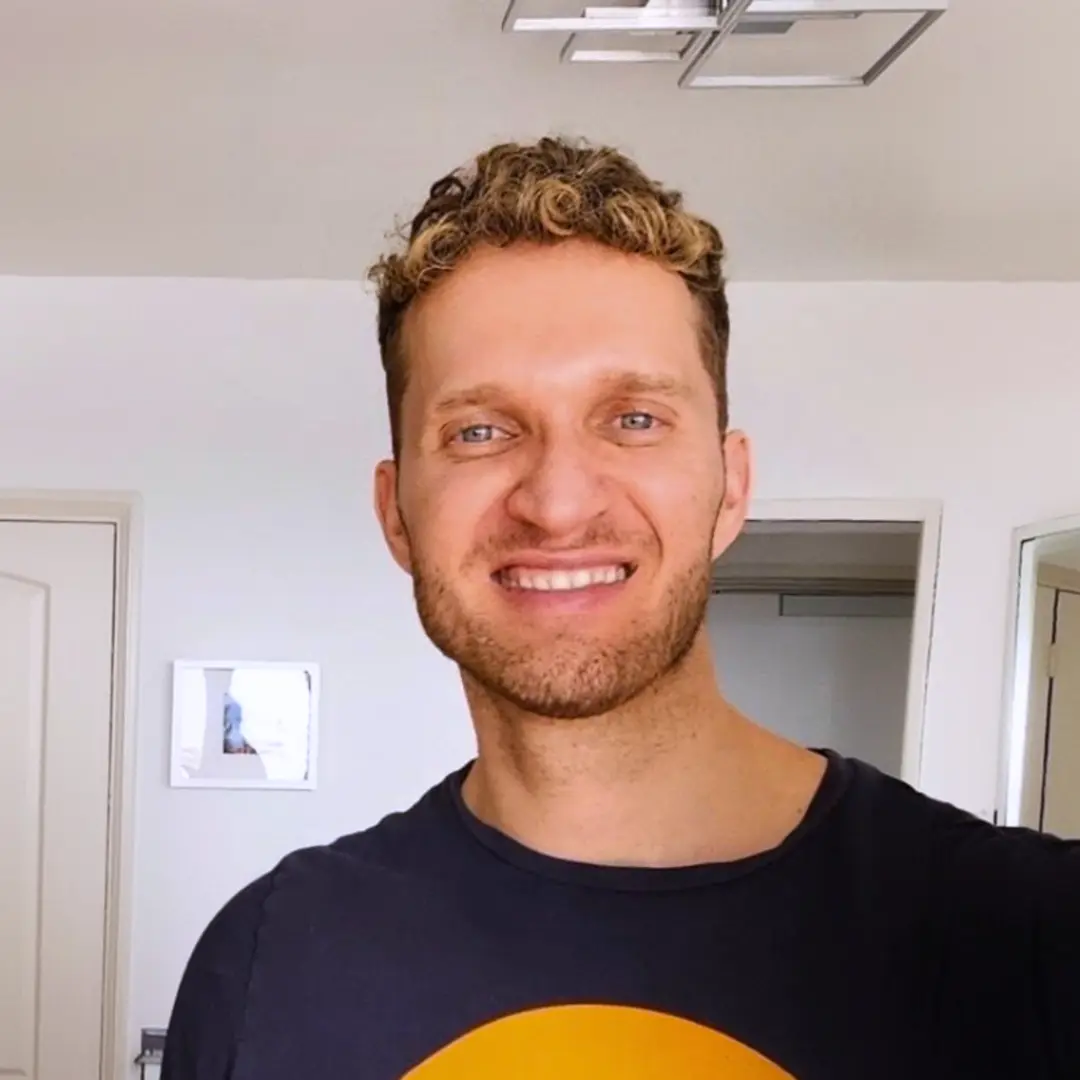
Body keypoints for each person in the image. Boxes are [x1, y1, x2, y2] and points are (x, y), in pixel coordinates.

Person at [162, 137, 1080, 1080]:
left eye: (634, 419)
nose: (558, 503)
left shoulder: (1031, 941)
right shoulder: (273, 964)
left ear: (731, 487)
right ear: (397, 513)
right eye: (480, 431)